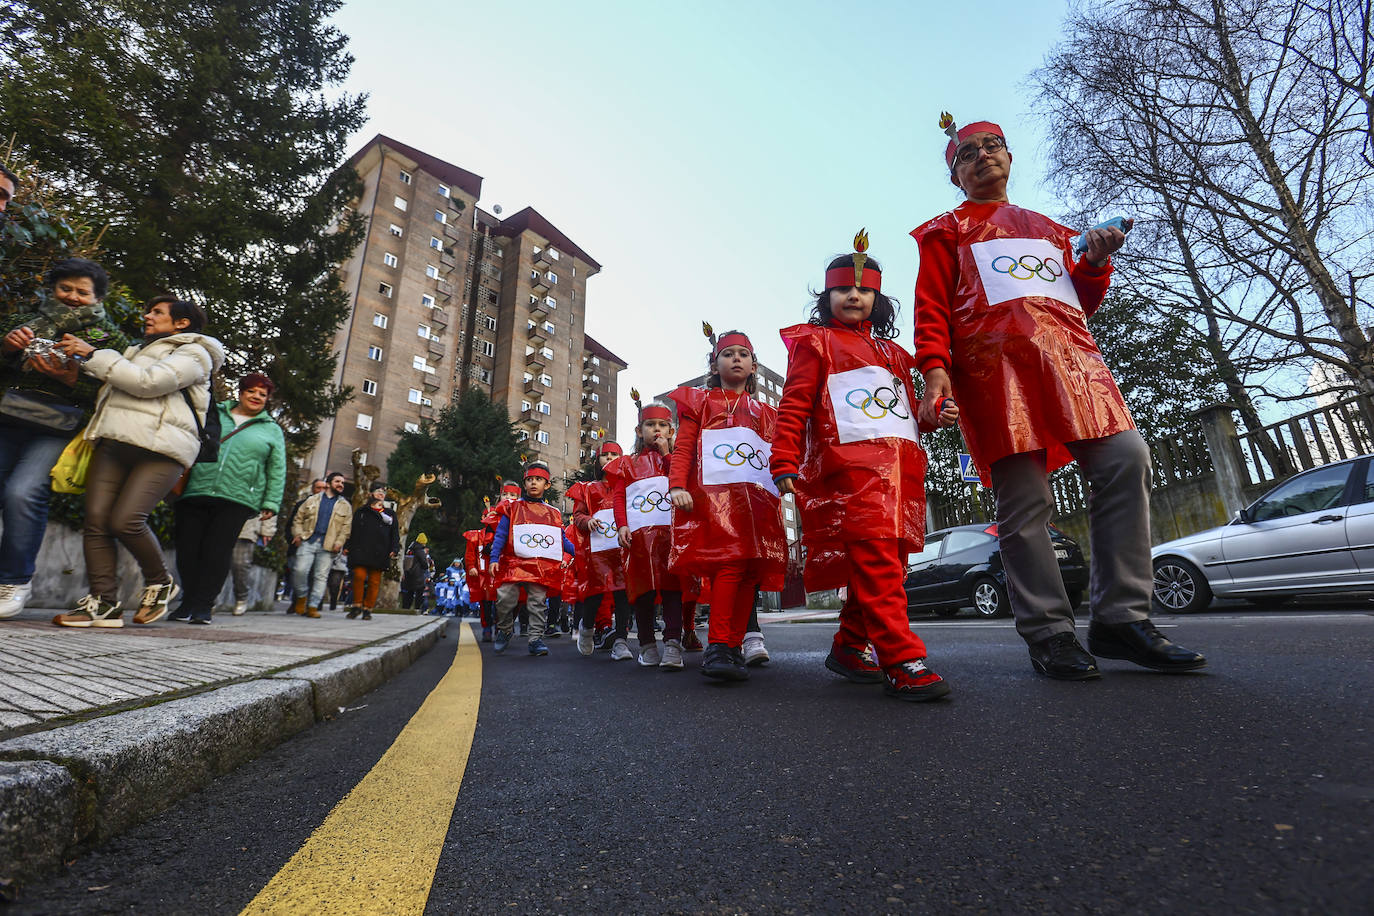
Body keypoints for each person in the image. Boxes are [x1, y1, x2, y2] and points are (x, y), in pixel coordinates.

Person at [912, 114, 1206, 680]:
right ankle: (1049, 631)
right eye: (966, 154)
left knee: (1126, 459)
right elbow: (931, 308)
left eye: (991, 146)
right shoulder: (944, 232)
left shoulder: (1048, 228)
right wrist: (934, 370)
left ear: (1009, 156)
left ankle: (1121, 617)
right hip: (995, 374)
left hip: (1074, 366)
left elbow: (1075, 303)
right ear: (955, 174)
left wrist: (1094, 263)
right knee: (1023, 503)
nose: (982, 156)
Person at [770, 236, 956, 701]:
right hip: (851, 472)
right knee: (877, 561)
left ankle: (851, 645)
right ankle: (901, 657)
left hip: (900, 475)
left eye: (866, 290)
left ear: (878, 299)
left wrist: (935, 413)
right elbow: (794, 406)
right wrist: (783, 459)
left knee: (886, 563)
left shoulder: (894, 355)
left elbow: (910, 416)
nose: (855, 296)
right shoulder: (816, 344)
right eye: (843, 289)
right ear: (826, 297)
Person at [52, 296, 224, 627]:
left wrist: (92, 354)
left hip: (162, 449)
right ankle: (103, 602)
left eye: (156, 312)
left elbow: (149, 383)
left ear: (181, 323)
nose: (146, 315)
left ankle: (160, 582)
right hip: (115, 442)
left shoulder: (194, 353)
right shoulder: (133, 352)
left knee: (126, 519)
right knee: (97, 521)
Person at [1, 258, 130, 620]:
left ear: (97, 297)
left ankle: (13, 580)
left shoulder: (111, 339)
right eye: (66, 288)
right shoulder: (22, 321)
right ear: (53, 289)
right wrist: (7, 347)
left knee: (23, 492)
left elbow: (116, 392)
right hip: (6, 417)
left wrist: (73, 378)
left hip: (59, 427)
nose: (73, 297)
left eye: (82, 292)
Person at [667, 326, 787, 682]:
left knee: (751, 571)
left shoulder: (767, 411)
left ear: (753, 367)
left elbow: (778, 452)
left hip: (758, 503)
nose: (736, 358)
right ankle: (718, 644)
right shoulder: (700, 404)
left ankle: (732, 645)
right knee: (729, 567)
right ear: (715, 364)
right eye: (728, 353)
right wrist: (676, 485)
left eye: (743, 354)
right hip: (716, 504)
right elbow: (684, 448)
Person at [170, 372, 286, 624]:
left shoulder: (272, 430)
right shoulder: (216, 413)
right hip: (197, 489)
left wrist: (270, 503)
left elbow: (277, 469)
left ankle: (203, 605)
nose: (257, 396)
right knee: (188, 550)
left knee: (217, 551)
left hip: (237, 497)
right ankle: (187, 601)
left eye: (262, 394)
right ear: (241, 392)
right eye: (252, 391)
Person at [608, 394, 685, 670]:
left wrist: (666, 453)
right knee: (643, 591)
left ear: (671, 431)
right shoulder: (627, 464)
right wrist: (622, 524)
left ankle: (673, 643)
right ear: (639, 431)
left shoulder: (677, 458)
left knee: (673, 588)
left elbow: (679, 476)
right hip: (640, 539)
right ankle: (647, 645)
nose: (656, 430)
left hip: (671, 536)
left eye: (662, 425)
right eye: (650, 424)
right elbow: (619, 497)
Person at [488, 462, 575, 656]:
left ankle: (535, 639)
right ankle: (505, 630)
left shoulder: (553, 513)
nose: (533, 483)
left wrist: (579, 552)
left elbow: (560, 539)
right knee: (504, 598)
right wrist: (494, 558)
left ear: (547, 485)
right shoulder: (512, 508)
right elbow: (501, 535)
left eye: (538, 480)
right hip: (513, 564)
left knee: (537, 603)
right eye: (529, 480)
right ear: (524, 483)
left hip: (540, 568)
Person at [567, 441, 633, 658]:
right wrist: (587, 521)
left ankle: (621, 641)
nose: (610, 458)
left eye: (615, 454)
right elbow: (577, 516)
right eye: (605, 455)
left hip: (623, 551)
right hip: (597, 553)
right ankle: (587, 629)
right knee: (595, 594)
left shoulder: (629, 486)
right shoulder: (587, 489)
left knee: (623, 594)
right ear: (597, 461)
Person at [289, 471, 352, 618]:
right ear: (329, 484)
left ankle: (312, 606)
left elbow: (345, 529)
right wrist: (297, 535)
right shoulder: (312, 500)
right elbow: (298, 519)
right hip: (308, 541)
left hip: (328, 546)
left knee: (321, 576)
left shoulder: (345, 506)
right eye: (337, 481)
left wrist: (339, 542)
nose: (341, 485)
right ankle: (302, 597)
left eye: (342, 483)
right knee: (299, 570)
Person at [345, 484, 398, 620]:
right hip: (360, 549)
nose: (381, 494)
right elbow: (353, 530)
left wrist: (394, 548)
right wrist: (347, 546)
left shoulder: (389, 513)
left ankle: (368, 609)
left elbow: (394, 533)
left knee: (375, 581)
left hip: (380, 551)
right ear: (371, 494)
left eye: (383, 492)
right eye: (378, 491)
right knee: (359, 576)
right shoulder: (362, 511)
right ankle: (356, 605)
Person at [279, 477, 324, 603]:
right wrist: (293, 539)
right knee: (298, 574)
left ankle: (312, 605)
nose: (321, 491)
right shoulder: (302, 504)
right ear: (313, 489)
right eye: (318, 487)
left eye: (324, 488)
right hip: (300, 545)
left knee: (314, 576)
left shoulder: (331, 508)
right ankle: (296, 602)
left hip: (320, 547)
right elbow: (291, 524)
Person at [230, 511, 276, 614]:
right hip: (221, 521)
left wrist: (267, 530)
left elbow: (271, 502)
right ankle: (208, 601)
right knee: (214, 563)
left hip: (248, 525)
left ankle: (241, 598)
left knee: (240, 565)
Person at [401, 533, 433, 609]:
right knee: (419, 592)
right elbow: (424, 563)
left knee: (409, 592)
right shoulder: (420, 550)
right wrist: (425, 567)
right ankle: (417, 608)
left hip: (408, 574)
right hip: (418, 575)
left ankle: (406, 608)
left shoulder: (410, 549)